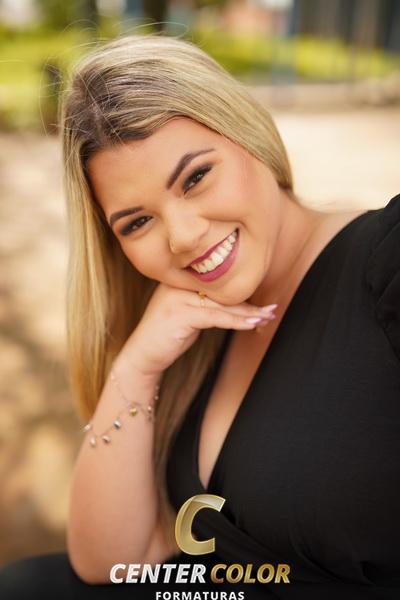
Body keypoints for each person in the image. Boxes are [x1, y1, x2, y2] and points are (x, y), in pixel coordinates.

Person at [0, 33, 399, 600]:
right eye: (138, 222)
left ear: (248, 136)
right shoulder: (188, 333)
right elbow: (114, 563)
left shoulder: (386, 261)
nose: (184, 237)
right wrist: (138, 366)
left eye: (195, 177)